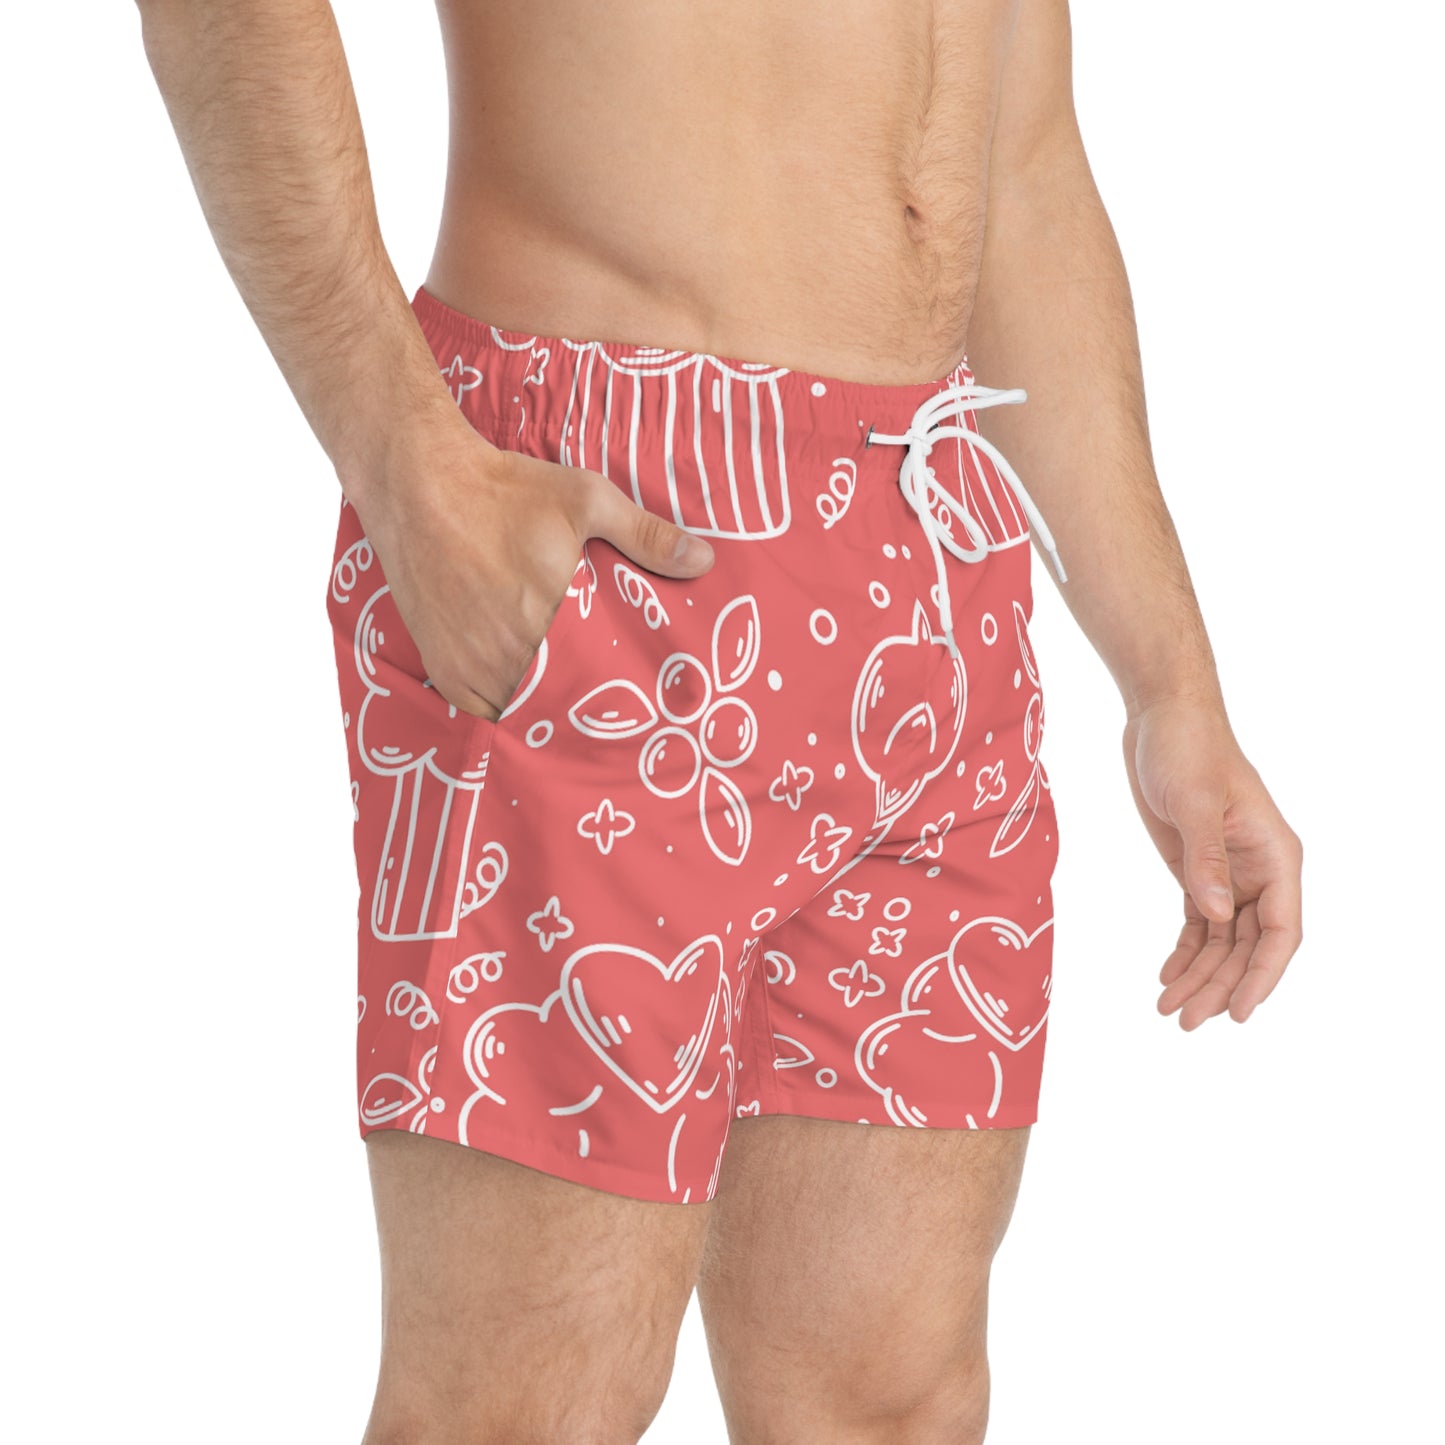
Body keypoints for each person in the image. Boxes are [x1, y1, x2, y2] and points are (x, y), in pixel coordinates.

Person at [136, 1, 1304, 1440]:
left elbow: (1019, 168)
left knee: (889, 1401)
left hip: (932, 558)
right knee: (523, 1409)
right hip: (602, 532)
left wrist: (1171, 683)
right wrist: (403, 455)